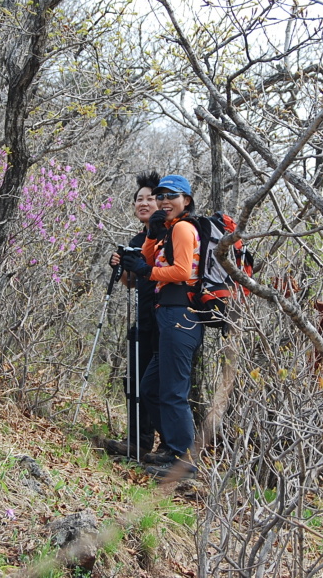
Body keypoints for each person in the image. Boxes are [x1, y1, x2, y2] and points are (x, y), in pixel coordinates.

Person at [121, 174, 203, 479]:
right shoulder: (166, 231)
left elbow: (181, 270)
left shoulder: (182, 227)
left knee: (172, 391)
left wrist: (148, 270)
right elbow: (143, 260)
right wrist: (153, 235)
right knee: (151, 387)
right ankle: (169, 449)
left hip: (181, 313)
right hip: (167, 313)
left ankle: (181, 459)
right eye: (161, 196)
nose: (165, 200)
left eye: (172, 196)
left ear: (187, 201)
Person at [105, 171, 162, 459]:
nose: (144, 203)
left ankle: (165, 447)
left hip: (165, 318)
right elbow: (130, 282)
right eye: (139, 199)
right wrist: (122, 264)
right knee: (135, 381)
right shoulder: (137, 238)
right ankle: (137, 441)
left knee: (158, 384)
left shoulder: (169, 233)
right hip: (143, 318)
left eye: (150, 198)